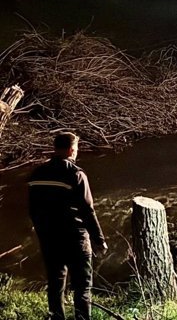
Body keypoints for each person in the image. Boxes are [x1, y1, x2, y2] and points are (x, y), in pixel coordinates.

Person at [28, 132, 107, 320]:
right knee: (82, 287)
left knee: (55, 285)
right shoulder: (76, 174)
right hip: (76, 239)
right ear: (72, 150)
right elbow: (88, 211)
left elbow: (33, 210)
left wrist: (42, 232)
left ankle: (56, 317)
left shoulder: (37, 173)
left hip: (49, 239)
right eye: (77, 148)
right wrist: (99, 240)